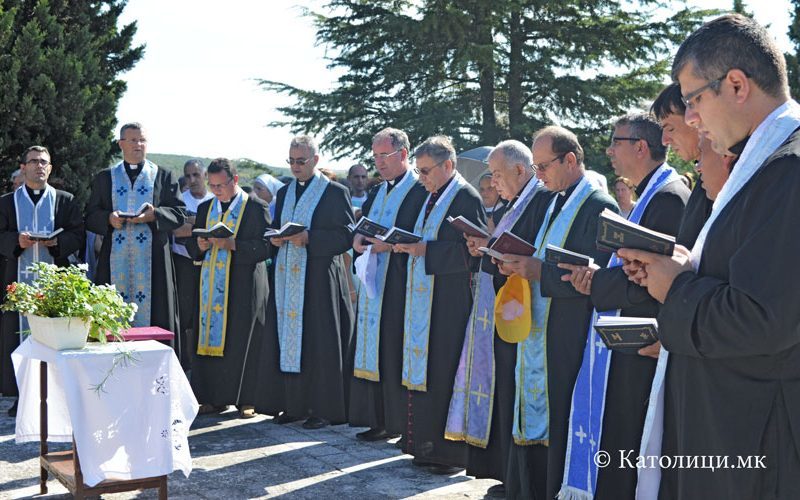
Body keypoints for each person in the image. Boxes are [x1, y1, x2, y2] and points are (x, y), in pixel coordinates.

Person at [620, 14, 800, 499]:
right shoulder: (764, 164)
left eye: (694, 99)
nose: (691, 119)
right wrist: (685, 266)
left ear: (737, 85)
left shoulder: (789, 171)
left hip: (758, 447)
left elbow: (765, 319)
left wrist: (676, 287)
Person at [557, 114, 689, 499]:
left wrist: (597, 283)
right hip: (630, 341)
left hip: (644, 342)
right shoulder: (651, 192)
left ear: (641, 147)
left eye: (616, 143)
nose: (609, 151)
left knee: (629, 438)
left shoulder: (667, 197)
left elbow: (649, 281)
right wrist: (601, 276)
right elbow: (632, 268)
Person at [491, 128, 617, 500]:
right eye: (535, 165)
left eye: (543, 165)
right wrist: (514, 263)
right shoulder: (552, 200)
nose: (538, 173)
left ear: (571, 160)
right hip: (539, 327)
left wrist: (536, 271)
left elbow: (593, 275)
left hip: (569, 330)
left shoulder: (598, 205)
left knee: (560, 412)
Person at [446, 140, 553, 496]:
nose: (492, 182)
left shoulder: (539, 200)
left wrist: (495, 248)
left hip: (526, 311)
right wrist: (485, 246)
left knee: (513, 387)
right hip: (507, 303)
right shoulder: (515, 202)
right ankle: (505, 472)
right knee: (503, 386)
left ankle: (517, 478)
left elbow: (532, 250)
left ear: (520, 171)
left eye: (496, 174)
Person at [393, 135, 485, 475]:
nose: (422, 178)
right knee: (424, 373)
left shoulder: (465, 197)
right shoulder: (427, 196)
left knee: (444, 371)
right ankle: (423, 446)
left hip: (448, 302)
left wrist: (424, 251)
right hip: (421, 297)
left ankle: (449, 454)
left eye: (427, 171)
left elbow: (471, 254)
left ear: (448, 165)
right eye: (418, 172)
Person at [261, 135, 354, 429]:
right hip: (287, 276)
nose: (295, 166)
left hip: (318, 279)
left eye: (301, 161)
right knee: (290, 340)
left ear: (315, 160)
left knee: (319, 342)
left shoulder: (335, 192)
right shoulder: (285, 192)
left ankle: (323, 408)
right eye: (291, 161)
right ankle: (294, 403)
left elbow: (346, 236)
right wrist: (275, 238)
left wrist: (310, 238)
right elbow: (276, 228)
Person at [348, 127, 428, 441]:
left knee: (393, 347)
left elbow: (416, 235)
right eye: (376, 156)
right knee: (373, 347)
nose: (379, 162)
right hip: (373, 281)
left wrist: (389, 246)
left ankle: (396, 422)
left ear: (404, 155)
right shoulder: (378, 190)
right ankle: (376, 418)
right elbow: (364, 226)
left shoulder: (419, 189)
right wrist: (356, 238)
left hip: (400, 282)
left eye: (385, 155)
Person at [0, 146, 84, 417]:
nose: (39, 166)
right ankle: (23, 396)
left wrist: (58, 241)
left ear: (50, 168)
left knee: (53, 336)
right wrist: (16, 241)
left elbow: (77, 233)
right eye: (33, 161)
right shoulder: (6, 202)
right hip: (17, 279)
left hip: (53, 281)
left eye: (44, 162)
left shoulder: (64, 200)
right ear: (23, 167)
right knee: (19, 336)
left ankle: (55, 396)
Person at [185, 158, 270, 419]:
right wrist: (199, 246)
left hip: (244, 285)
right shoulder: (206, 207)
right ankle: (212, 397)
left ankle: (247, 399)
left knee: (242, 339)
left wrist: (235, 246)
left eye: (221, 185)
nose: (216, 191)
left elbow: (266, 246)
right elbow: (192, 246)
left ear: (234, 180)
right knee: (209, 338)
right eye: (212, 185)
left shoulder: (256, 206)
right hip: (211, 285)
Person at [85, 122, 185, 333]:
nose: (138, 145)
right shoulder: (105, 178)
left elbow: (179, 214)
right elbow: (91, 215)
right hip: (114, 258)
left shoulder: (163, 176)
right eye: (133, 140)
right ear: (121, 144)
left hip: (154, 262)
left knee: (156, 316)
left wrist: (154, 215)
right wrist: (109, 219)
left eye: (142, 140)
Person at [172, 159, 214, 371]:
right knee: (186, 313)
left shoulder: (215, 200)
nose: (192, 180)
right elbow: (177, 231)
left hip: (212, 264)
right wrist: (201, 226)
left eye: (196, 175)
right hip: (184, 263)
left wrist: (192, 224)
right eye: (188, 176)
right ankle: (186, 363)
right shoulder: (181, 200)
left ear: (205, 176)